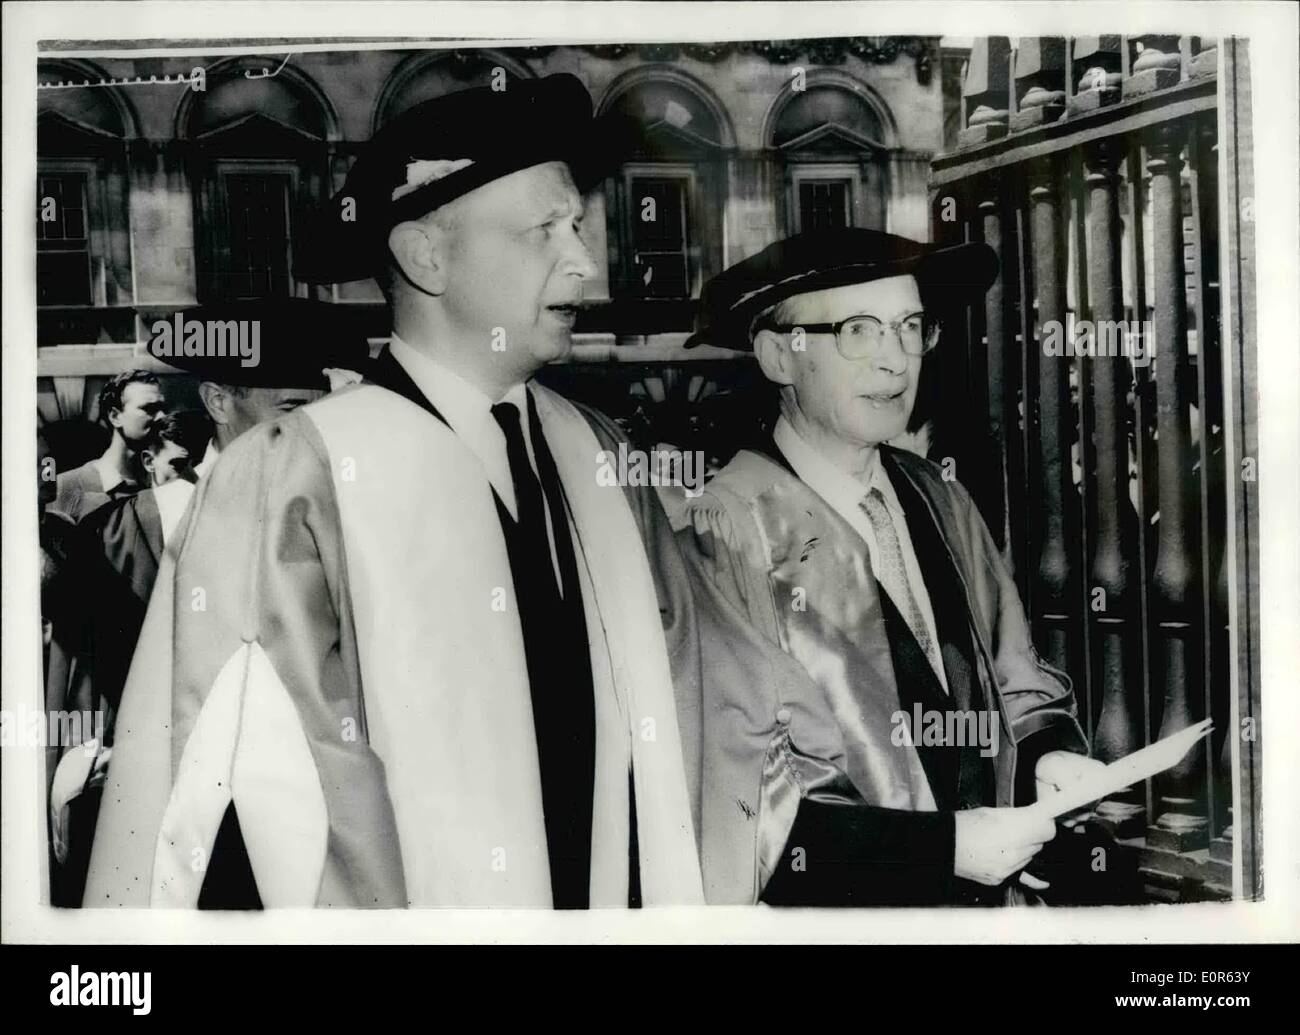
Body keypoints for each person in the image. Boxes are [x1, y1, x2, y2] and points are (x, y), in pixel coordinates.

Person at [85, 75, 704, 910]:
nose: (585, 262)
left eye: (580, 227)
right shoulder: (294, 480)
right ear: (426, 255)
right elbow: (229, 794)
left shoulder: (594, 451)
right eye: (544, 231)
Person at [679, 228, 1106, 906]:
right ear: (777, 357)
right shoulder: (725, 532)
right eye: (858, 330)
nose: (895, 361)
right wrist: (947, 850)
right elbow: (747, 805)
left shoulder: (941, 498)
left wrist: (1046, 759)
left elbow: (1013, 679)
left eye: (910, 328)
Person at [63, 299, 371, 908]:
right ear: (219, 402)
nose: (310, 431)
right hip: (187, 842)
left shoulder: (353, 521)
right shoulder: (133, 533)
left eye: (320, 410)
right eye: (291, 409)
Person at [51, 370, 164, 522]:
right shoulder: (66, 487)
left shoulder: (165, 485)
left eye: (164, 408)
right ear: (115, 416)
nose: (162, 416)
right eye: (149, 409)